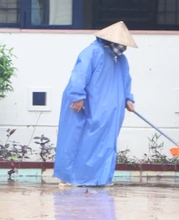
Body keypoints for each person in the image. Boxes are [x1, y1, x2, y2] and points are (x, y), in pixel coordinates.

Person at [54, 21, 136, 187]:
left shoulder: (120, 60)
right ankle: (70, 177)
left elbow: (125, 81)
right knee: (76, 139)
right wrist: (77, 96)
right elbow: (79, 75)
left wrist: (128, 98)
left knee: (104, 144)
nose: (122, 48)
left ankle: (99, 178)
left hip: (110, 113)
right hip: (87, 106)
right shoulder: (92, 53)